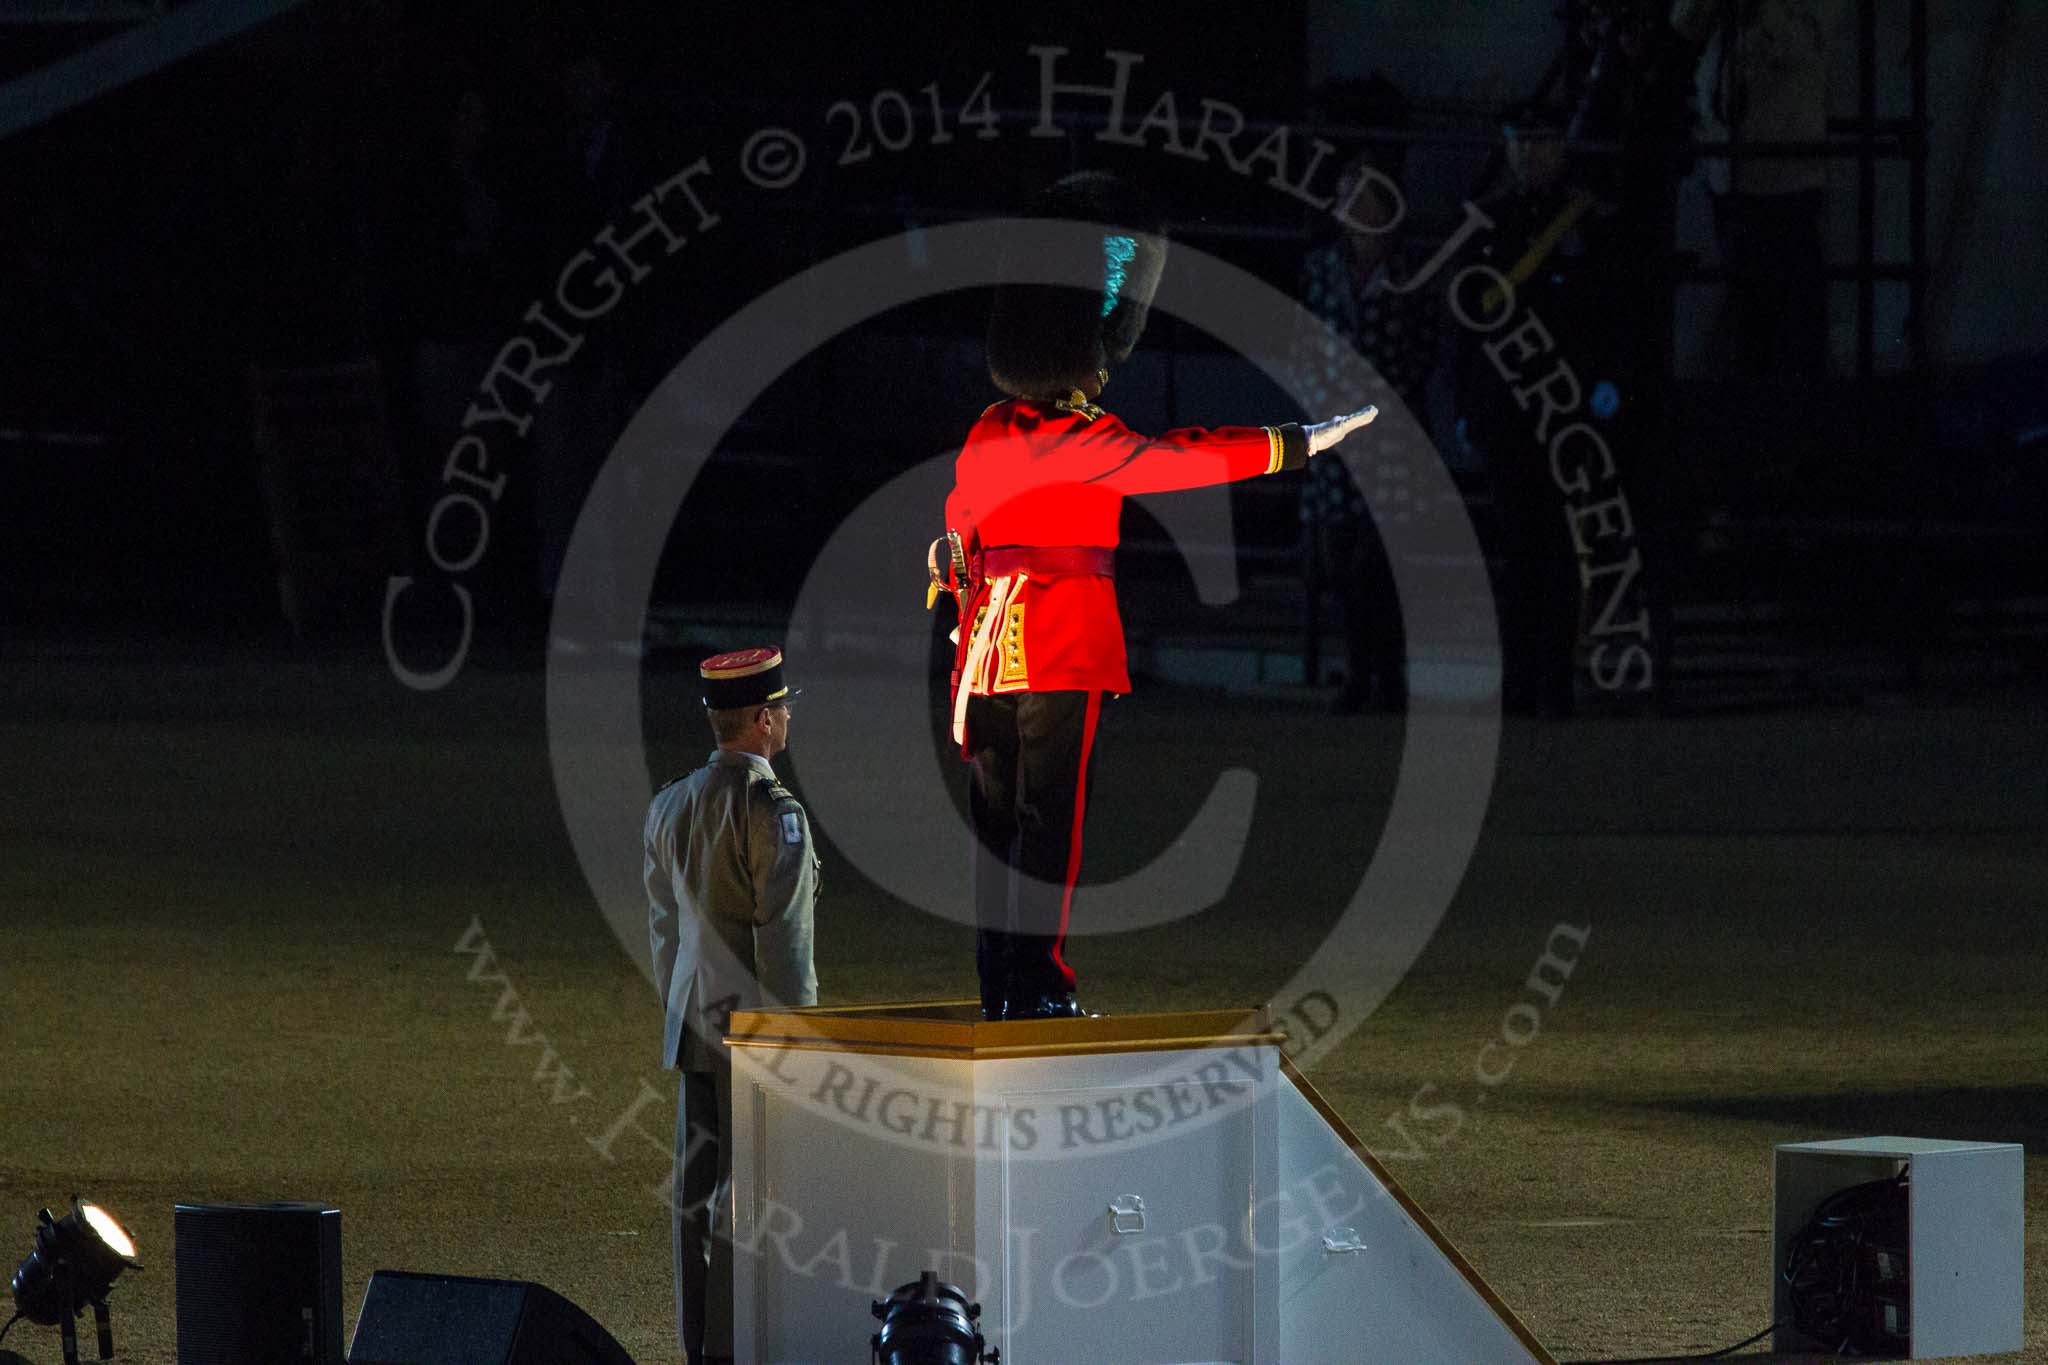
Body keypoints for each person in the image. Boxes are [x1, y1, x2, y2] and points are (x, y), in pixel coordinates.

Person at [930, 171, 1377, 1022]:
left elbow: (955, 536)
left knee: (996, 831)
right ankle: (1043, 990)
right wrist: (1300, 442)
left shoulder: (987, 430)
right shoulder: (1084, 435)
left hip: (981, 651)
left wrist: (957, 587)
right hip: (1059, 640)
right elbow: (1190, 457)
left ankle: (1001, 985)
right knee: (1049, 827)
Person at [645, 646, 818, 1365]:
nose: (786, 716)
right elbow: (784, 942)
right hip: (752, 1026)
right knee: (746, 1191)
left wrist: (681, 1005)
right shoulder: (770, 810)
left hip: (690, 1015)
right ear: (759, 718)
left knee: (694, 1193)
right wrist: (796, 1037)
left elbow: (663, 930)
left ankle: (698, 1343)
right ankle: (733, 1342)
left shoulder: (672, 801)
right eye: (780, 706)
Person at [1292, 135, 1444, 714]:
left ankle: (1387, 675)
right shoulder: (1322, 270)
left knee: (1383, 559)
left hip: (1390, 438)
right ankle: (1362, 671)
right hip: (1335, 435)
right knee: (1343, 555)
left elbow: (1422, 354)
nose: (1347, 211)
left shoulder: (1409, 276)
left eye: (1358, 199)